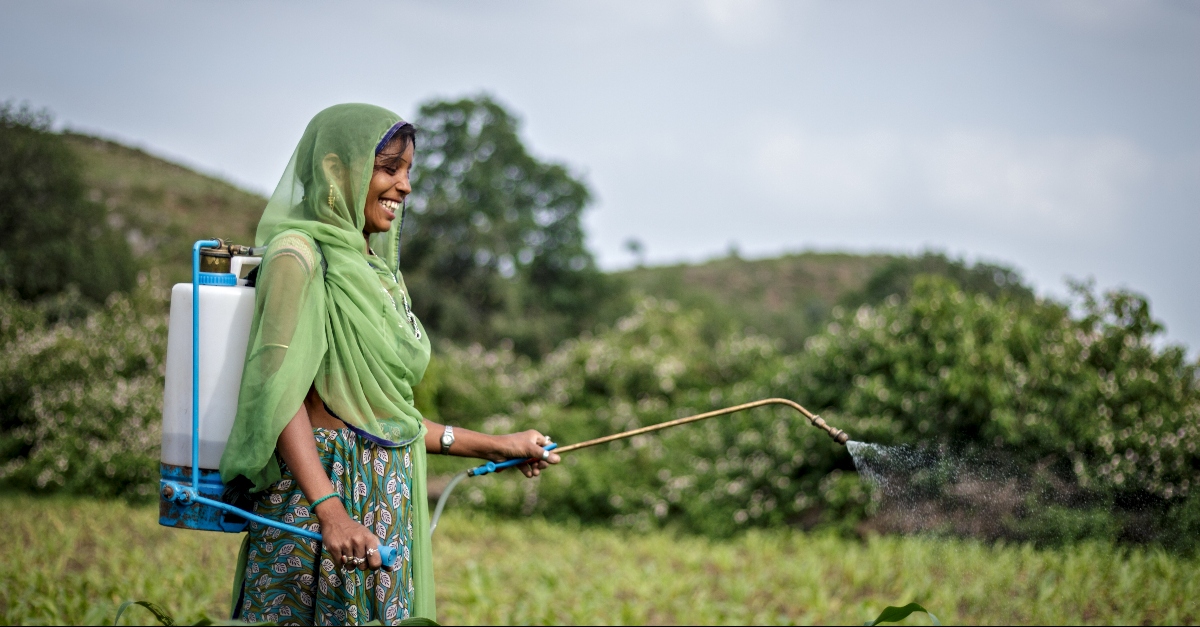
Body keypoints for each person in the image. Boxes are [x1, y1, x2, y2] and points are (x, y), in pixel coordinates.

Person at [219, 103, 560, 625]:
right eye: (389, 167)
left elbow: (387, 421)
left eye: (408, 172)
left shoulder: (375, 270)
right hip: (323, 508)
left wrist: (501, 444)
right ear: (338, 171)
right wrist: (330, 511)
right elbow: (279, 395)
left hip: (387, 499)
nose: (403, 186)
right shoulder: (298, 257)